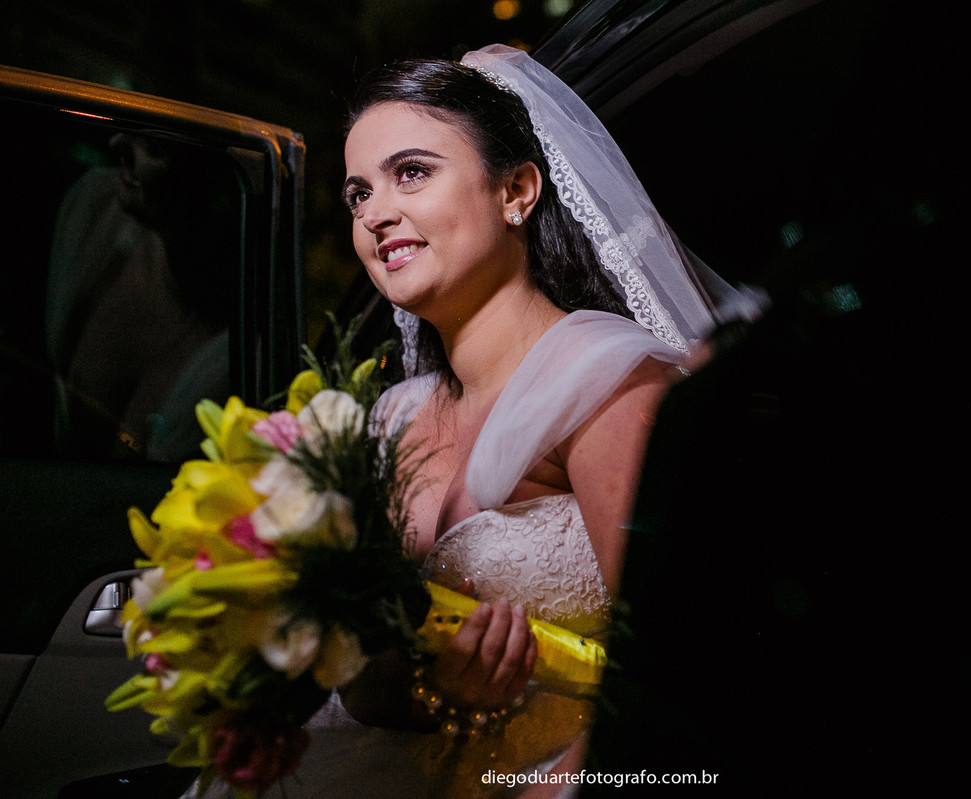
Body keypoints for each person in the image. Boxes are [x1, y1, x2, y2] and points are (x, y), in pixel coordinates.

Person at [184, 44, 752, 799]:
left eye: (410, 172)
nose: (376, 212)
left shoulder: (608, 382)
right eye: (357, 194)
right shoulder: (390, 419)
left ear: (516, 190)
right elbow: (364, 683)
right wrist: (434, 689)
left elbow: (690, 674)